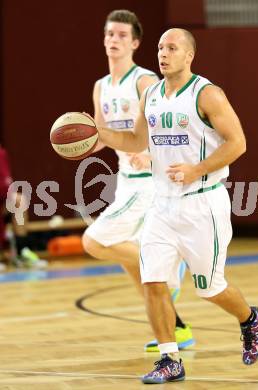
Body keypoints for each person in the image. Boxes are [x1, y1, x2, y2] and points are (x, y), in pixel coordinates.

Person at [95, 27, 258, 384]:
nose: (163, 53)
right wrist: (99, 134)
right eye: (160, 47)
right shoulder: (151, 95)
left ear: (189, 55)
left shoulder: (208, 94)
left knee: (210, 288)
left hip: (203, 204)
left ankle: (249, 318)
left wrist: (196, 170)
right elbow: (136, 139)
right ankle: (169, 359)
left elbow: (238, 143)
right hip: (162, 206)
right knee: (153, 281)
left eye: (171, 48)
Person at [81, 10, 194, 352]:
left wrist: (150, 150)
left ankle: (166, 263)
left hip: (151, 182)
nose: (113, 40)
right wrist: (81, 139)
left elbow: (173, 125)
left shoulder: (144, 82)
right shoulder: (101, 87)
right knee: (132, 268)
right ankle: (177, 329)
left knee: (94, 241)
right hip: (127, 181)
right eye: (108, 34)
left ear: (135, 43)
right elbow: (104, 137)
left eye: (120, 35)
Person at [0, 144, 47, 269]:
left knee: (19, 200)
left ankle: (21, 251)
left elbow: (6, 185)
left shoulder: (1, 153)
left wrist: (7, 197)